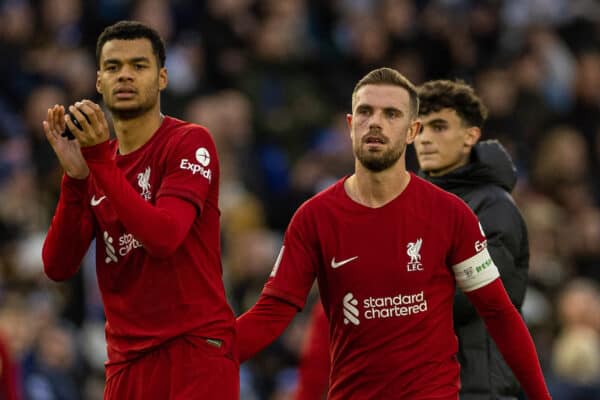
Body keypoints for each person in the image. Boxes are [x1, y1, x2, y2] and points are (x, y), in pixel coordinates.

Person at [236, 67, 551, 399]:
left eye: (391, 114)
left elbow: (499, 314)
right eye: (365, 112)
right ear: (350, 124)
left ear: (412, 131)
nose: (375, 122)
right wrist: (198, 357)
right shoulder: (314, 218)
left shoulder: (450, 214)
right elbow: (270, 314)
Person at [41, 21, 238, 399]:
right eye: (113, 67)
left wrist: (98, 161)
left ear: (162, 77)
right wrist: (76, 179)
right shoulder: (99, 165)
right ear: (99, 82)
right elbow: (57, 265)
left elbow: (163, 237)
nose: (125, 75)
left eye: (139, 65)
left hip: (194, 354)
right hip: (126, 366)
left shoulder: (188, 142)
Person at [415, 79, 530, 400]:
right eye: (419, 128)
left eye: (439, 127)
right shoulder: (411, 204)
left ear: (470, 136)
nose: (424, 139)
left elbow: (476, 295)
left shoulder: (493, 207)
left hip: (477, 385)